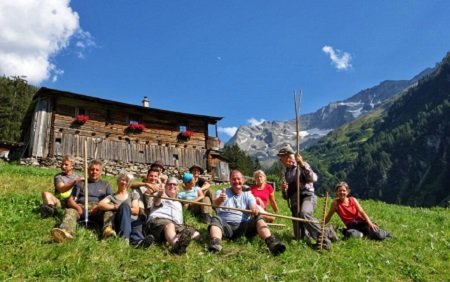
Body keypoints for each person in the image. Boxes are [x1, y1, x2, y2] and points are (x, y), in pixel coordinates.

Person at [207, 170, 286, 256]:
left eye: (238, 179)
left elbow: (253, 205)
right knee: (215, 218)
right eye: (233, 179)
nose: (237, 181)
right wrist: (220, 200)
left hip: (244, 227)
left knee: (258, 218)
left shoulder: (248, 195)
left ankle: (271, 242)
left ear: (243, 180)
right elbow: (214, 205)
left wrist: (254, 209)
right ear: (230, 181)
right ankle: (216, 243)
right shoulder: (222, 192)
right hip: (226, 227)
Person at [278, 144, 333, 250]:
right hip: (294, 201)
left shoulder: (301, 165)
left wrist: (302, 164)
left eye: (283, 158)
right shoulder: (286, 174)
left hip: (307, 196)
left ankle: (324, 240)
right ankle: (327, 231)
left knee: (304, 213)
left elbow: (313, 178)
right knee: (299, 238)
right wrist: (284, 190)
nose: (282, 161)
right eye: (281, 159)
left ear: (290, 156)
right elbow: (286, 197)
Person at [51, 159, 113, 243]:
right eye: (92, 169)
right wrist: (77, 207)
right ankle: (65, 232)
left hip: (98, 209)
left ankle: (107, 231)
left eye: (97, 170)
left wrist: (99, 206)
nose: (94, 172)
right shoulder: (80, 183)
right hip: (81, 207)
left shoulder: (106, 185)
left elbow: (110, 201)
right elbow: (71, 200)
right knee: (70, 211)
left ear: (101, 172)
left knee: (109, 212)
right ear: (88, 170)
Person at [98, 172, 155, 248]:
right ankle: (124, 240)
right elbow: (101, 204)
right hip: (119, 221)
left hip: (132, 221)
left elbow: (135, 210)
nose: (124, 182)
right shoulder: (112, 196)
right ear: (118, 181)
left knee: (136, 221)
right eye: (122, 180)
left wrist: (126, 210)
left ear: (129, 184)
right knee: (124, 206)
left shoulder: (133, 195)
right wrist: (115, 207)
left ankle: (139, 242)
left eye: (127, 181)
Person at [146, 177, 200, 255]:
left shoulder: (179, 203)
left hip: (176, 225)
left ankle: (178, 238)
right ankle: (177, 246)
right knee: (170, 225)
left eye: (174, 184)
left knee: (196, 233)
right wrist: (159, 194)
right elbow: (156, 202)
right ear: (165, 186)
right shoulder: (160, 195)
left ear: (178, 188)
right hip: (158, 222)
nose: (172, 186)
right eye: (169, 184)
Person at [325, 182, 391, 240]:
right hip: (352, 227)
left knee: (379, 236)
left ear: (347, 192)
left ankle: (385, 233)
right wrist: (320, 225)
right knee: (350, 234)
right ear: (336, 192)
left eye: (344, 190)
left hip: (362, 223)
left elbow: (362, 211)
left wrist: (370, 223)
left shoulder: (353, 200)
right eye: (340, 191)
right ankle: (364, 235)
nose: (342, 192)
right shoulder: (335, 203)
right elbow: (328, 217)